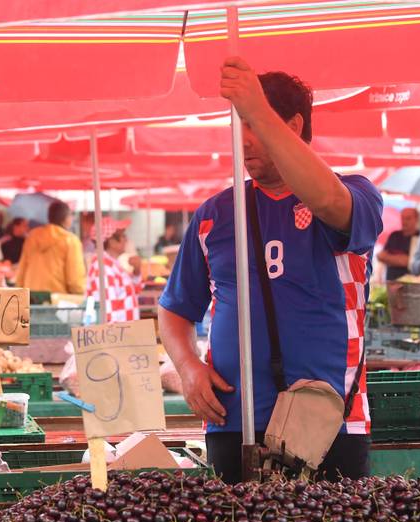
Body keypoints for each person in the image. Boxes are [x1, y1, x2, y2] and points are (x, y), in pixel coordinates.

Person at [158, 57, 383, 485]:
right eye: (237, 126)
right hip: (233, 420)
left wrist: (255, 106)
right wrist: (188, 366)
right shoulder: (216, 214)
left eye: (252, 125)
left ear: (293, 126)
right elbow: (175, 308)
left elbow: (330, 203)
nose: (243, 140)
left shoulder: (354, 193)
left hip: (329, 421)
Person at [15, 200, 85, 294]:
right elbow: (75, 281)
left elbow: (21, 272)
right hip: (58, 300)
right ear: (66, 218)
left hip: (31, 298)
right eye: (71, 216)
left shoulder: (32, 236)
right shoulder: (71, 241)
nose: (72, 219)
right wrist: (81, 294)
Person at [85, 218, 143, 322]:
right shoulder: (103, 268)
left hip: (123, 334)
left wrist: (136, 271)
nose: (126, 240)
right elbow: (107, 312)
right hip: (119, 335)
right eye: (123, 236)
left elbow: (130, 293)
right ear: (111, 241)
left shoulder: (111, 264)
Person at [377, 207, 419, 281]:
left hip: (411, 283)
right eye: (402, 218)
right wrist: (401, 258)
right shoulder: (394, 235)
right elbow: (381, 256)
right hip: (391, 283)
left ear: (416, 219)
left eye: (408, 218)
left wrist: (389, 258)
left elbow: (410, 262)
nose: (404, 221)